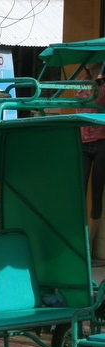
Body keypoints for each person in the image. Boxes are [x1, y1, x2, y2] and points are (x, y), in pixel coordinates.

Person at [79, 68, 105, 260]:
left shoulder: (103, 86)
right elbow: (80, 102)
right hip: (83, 141)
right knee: (79, 192)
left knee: (96, 193)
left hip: (101, 141)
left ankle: (89, 243)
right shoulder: (81, 84)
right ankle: (78, 239)